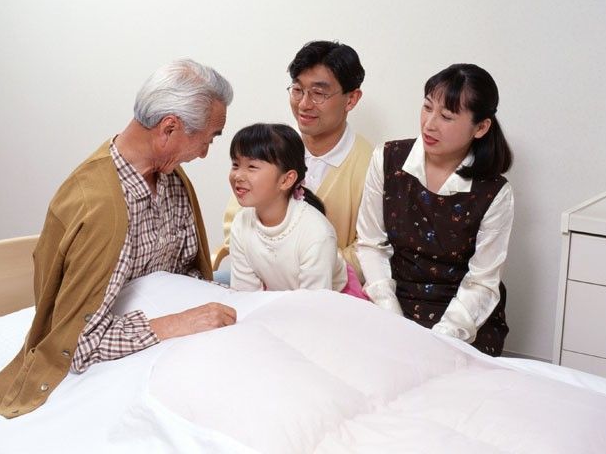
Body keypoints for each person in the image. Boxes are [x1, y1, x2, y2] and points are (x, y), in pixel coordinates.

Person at [0, 58, 237, 418]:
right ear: (169, 128)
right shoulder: (97, 206)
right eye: (206, 140)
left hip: (177, 350)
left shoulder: (174, 182)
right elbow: (78, 342)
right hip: (121, 363)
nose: (205, 153)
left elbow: (188, 271)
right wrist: (177, 323)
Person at [356, 63, 514, 356]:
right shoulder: (387, 159)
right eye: (427, 107)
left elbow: (482, 281)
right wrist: (391, 316)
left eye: (446, 116)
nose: (429, 124)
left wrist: (439, 338)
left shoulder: (494, 192)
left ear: (481, 127)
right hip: (392, 301)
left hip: (462, 318)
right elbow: (370, 244)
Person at [220, 40, 372, 283]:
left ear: (351, 99)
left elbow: (369, 250)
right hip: (259, 278)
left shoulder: (372, 166)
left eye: (318, 93)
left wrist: (304, 263)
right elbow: (236, 223)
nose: (304, 104)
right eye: (298, 89)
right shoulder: (271, 149)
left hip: (328, 286)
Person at [229, 123, 366, 299]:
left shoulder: (317, 233)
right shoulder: (240, 224)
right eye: (235, 165)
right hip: (281, 301)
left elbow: (313, 305)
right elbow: (245, 296)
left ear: (287, 180)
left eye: (252, 167)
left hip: (333, 303)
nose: (238, 176)